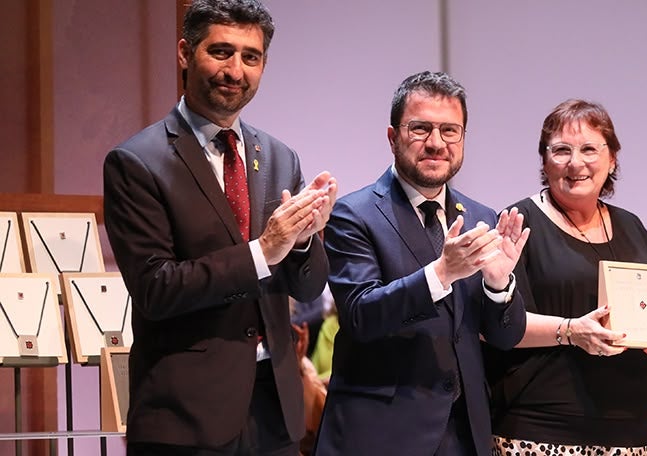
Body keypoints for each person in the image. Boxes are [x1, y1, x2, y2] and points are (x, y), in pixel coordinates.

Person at [102, 1, 336, 454]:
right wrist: (264, 250)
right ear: (186, 53)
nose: (236, 70)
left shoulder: (280, 156)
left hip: (275, 408)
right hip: (186, 414)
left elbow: (308, 289)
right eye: (222, 52)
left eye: (251, 57)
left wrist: (304, 242)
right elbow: (156, 288)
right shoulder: (136, 162)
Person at [312, 71, 529, 456]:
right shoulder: (353, 215)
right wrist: (441, 273)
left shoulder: (481, 216)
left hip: (465, 434)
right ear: (393, 137)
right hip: (381, 435)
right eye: (420, 129)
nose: (436, 143)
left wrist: (499, 286)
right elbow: (361, 316)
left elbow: (504, 337)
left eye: (450, 131)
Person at [486, 99, 647, 456]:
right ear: (544, 162)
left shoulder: (633, 227)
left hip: (626, 431)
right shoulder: (519, 223)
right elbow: (498, 326)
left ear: (612, 160)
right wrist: (572, 331)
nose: (576, 163)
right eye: (561, 150)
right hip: (543, 430)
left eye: (589, 149)